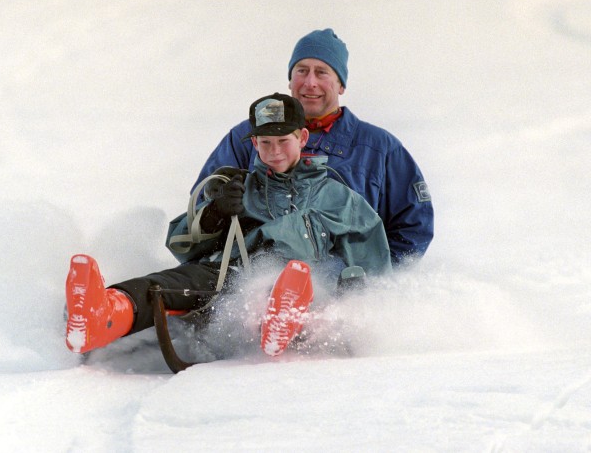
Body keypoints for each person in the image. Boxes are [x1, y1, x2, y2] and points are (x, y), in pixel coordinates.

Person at [65, 93, 392, 356]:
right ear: (254, 144)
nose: (274, 151)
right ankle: (103, 313)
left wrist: (354, 295)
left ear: (303, 137)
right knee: (171, 283)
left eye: (283, 141)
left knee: (285, 281)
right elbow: (181, 244)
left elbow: (373, 264)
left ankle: (281, 318)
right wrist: (216, 213)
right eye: (265, 142)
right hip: (227, 275)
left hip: (303, 283)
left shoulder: (339, 199)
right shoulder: (236, 186)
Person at [193, 29, 433, 265]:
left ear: (341, 85)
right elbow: (198, 208)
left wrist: (370, 286)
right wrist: (217, 209)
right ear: (290, 80)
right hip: (250, 281)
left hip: (341, 292)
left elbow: (414, 225)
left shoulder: (380, 149)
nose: (310, 83)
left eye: (322, 72)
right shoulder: (245, 137)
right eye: (302, 71)